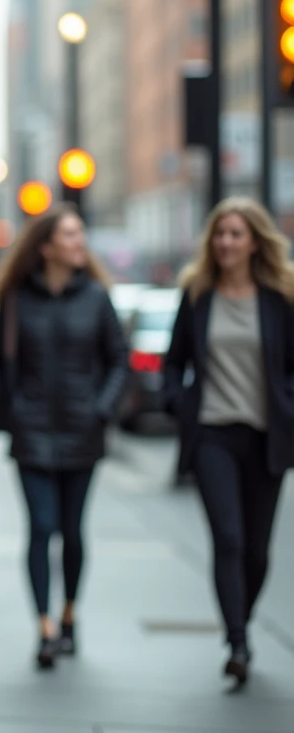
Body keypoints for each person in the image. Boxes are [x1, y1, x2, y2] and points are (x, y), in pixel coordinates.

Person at [0, 203, 128, 670]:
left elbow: (119, 361)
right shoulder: (16, 299)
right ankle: (43, 625)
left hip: (83, 432)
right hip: (32, 432)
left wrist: (101, 409)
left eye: (80, 234)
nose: (79, 242)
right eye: (69, 235)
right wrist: (10, 411)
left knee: (72, 532)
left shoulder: (97, 299)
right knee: (41, 528)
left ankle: (69, 615)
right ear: (46, 247)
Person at [163, 196, 294, 685]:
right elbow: (173, 361)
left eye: (236, 234)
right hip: (213, 433)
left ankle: (242, 616)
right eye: (219, 234)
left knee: (258, 552)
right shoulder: (198, 294)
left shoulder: (280, 297)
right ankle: (237, 640)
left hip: (266, 438)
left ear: (255, 240)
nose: (225, 242)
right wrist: (178, 402)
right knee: (229, 538)